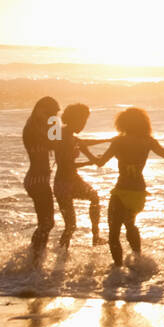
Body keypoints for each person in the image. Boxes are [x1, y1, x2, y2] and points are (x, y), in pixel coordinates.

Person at [87, 107, 164, 266]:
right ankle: (138, 260)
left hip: (121, 189)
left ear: (123, 123)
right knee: (130, 225)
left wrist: (84, 150)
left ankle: (117, 268)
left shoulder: (119, 141)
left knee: (114, 231)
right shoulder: (148, 141)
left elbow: (100, 163)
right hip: (138, 192)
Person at [52, 103, 107, 247]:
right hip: (63, 184)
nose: (83, 125)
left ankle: (96, 237)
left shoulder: (70, 135)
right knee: (71, 226)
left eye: (85, 122)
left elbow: (85, 144)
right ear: (72, 119)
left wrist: (109, 141)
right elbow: (64, 164)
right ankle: (61, 255)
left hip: (73, 181)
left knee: (94, 197)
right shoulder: (62, 134)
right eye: (82, 121)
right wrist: (89, 163)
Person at [22, 96, 60, 254]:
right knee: (47, 223)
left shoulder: (42, 127)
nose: (51, 116)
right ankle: (34, 256)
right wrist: (54, 123)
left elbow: (56, 142)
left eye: (54, 113)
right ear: (38, 110)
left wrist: (54, 121)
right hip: (36, 180)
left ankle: (35, 255)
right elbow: (55, 142)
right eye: (48, 112)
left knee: (46, 223)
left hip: (40, 180)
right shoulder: (31, 128)